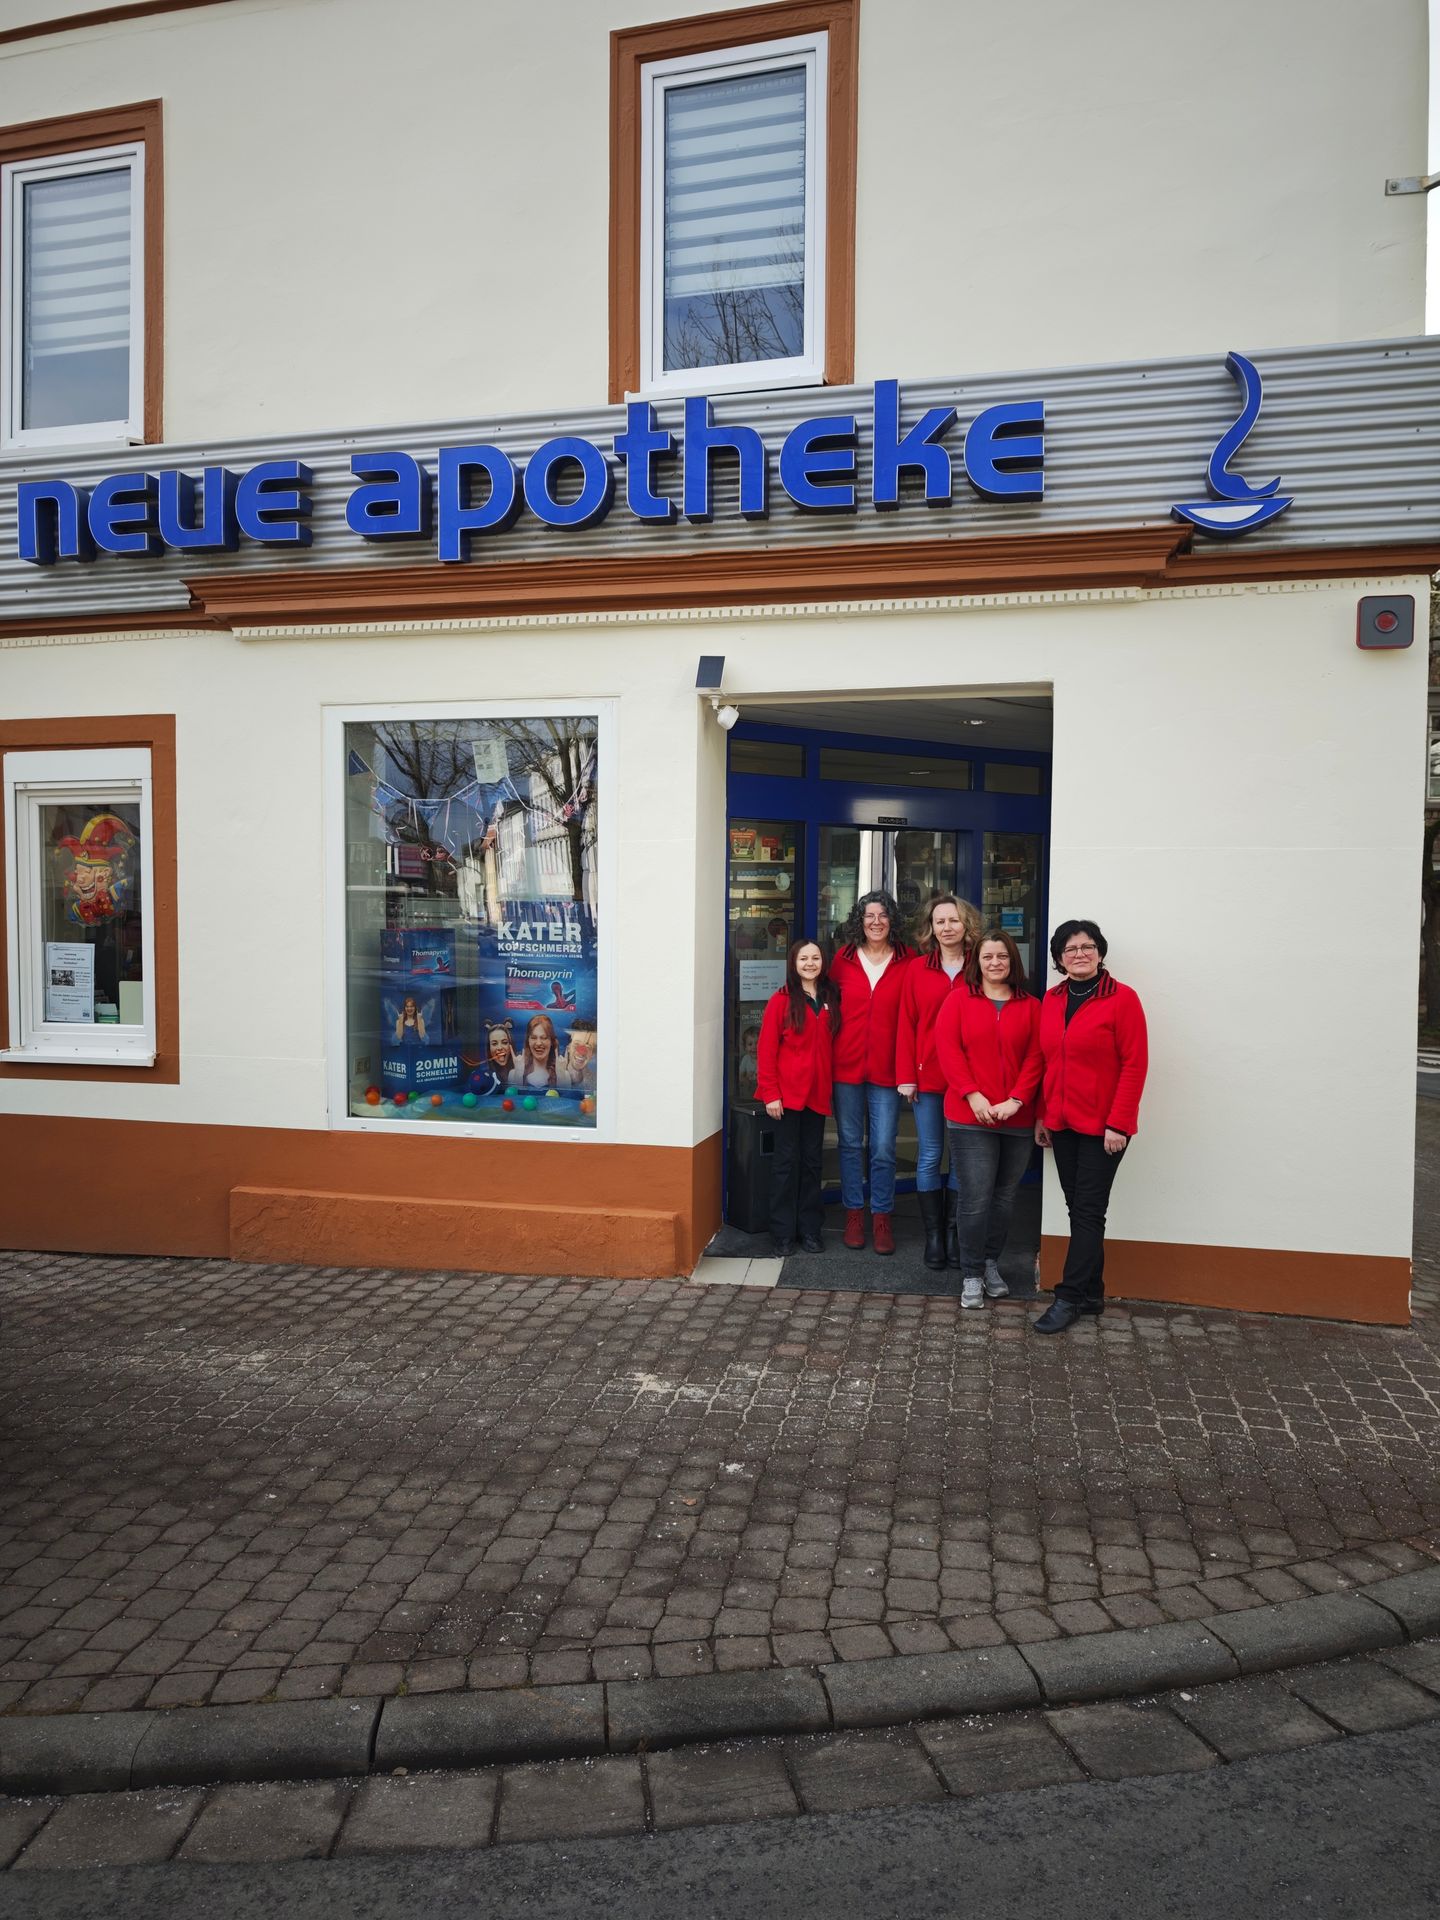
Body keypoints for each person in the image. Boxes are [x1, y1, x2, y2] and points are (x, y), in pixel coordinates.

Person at [1032, 919, 1149, 1333]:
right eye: (1070, 948)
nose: (1079, 953)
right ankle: (1094, 1292)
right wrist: (1043, 1115)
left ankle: (1068, 1298)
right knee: (1079, 1210)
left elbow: (1135, 1065)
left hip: (1105, 1128)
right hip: (1062, 1123)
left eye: (1087, 946)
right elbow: (1048, 1062)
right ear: (1059, 959)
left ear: (1099, 952)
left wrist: (1119, 1123)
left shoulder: (1123, 999)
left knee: (1086, 1211)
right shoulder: (1052, 998)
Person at [934, 930, 1042, 1308]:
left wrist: (1016, 1100)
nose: (995, 963)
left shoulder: (1031, 1006)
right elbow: (948, 1051)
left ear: (1013, 961)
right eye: (987, 957)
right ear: (975, 962)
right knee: (975, 1198)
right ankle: (972, 1274)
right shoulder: (957, 1000)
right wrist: (972, 1093)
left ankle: (991, 1261)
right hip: (969, 1116)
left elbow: (1036, 1057)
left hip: (1016, 1117)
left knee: (1004, 1199)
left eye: (1002, 957)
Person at [896, 894, 982, 1269]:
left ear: (967, 925)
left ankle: (956, 1233)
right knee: (931, 1154)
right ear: (930, 928)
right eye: (939, 921)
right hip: (927, 1076)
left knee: (963, 1160)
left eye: (953, 920)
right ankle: (934, 1237)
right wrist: (905, 1076)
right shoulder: (916, 969)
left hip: (971, 1080)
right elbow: (906, 1023)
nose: (946, 927)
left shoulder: (982, 964)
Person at [829, 890, 911, 1254]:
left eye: (882, 915)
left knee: (881, 1148)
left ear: (892, 920)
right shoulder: (842, 960)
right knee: (848, 1145)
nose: (876, 922)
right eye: (869, 916)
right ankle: (853, 1214)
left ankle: (881, 1217)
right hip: (845, 1067)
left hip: (888, 1070)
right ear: (859, 922)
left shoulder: (910, 961)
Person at [757, 939, 838, 1257]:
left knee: (812, 1164)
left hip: (816, 1096)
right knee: (785, 1165)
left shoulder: (830, 997)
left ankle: (810, 1230)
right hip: (786, 1098)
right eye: (803, 958)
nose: (810, 963)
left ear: (822, 962)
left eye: (815, 957)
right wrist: (770, 1093)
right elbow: (766, 1049)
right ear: (793, 963)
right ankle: (781, 1234)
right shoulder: (781, 1000)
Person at [510, 1013, 565, 1090]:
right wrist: (518, 1075)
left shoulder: (565, 1075)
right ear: (528, 1041)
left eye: (544, 1038)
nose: (538, 1043)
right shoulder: (513, 1074)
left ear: (552, 1042)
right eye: (533, 1037)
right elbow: (514, 1100)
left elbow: (565, 1100)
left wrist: (561, 1077)